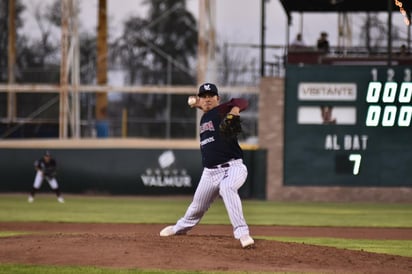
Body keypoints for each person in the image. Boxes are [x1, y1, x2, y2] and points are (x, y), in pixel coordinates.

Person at [159, 83, 254, 248]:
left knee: (227, 187)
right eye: (204, 96)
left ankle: (242, 233)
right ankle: (179, 228)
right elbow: (203, 106)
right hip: (210, 173)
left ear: (218, 98)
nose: (208, 99)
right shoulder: (205, 116)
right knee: (196, 207)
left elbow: (242, 101)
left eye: (211, 96)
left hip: (233, 167)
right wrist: (196, 103)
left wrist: (235, 110)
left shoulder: (223, 109)